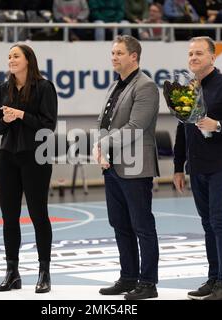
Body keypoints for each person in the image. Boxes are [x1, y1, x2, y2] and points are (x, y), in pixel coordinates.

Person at [173, 36, 222, 300]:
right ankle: (213, 278)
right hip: (196, 166)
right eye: (190, 54)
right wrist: (177, 167)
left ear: (212, 57)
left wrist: (217, 125)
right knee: (207, 224)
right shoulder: (188, 88)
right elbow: (181, 129)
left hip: (221, 164)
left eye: (199, 53)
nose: (193, 58)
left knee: (219, 221)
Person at [94, 35, 160, 300]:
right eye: (112, 53)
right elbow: (104, 122)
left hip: (136, 167)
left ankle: (148, 282)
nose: (114, 57)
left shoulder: (146, 86)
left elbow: (135, 128)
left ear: (134, 56)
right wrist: (100, 148)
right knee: (119, 224)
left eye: (119, 53)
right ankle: (128, 276)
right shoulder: (115, 86)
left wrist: (103, 145)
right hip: (112, 166)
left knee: (142, 225)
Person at [0, 44, 58, 293]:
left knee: (39, 215)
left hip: (35, 157)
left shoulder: (44, 88)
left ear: (28, 60)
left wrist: (21, 115)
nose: (11, 59)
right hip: (8, 157)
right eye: (9, 56)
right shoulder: (1, 89)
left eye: (16, 56)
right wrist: (5, 120)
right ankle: (12, 272)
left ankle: (44, 272)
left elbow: (48, 126)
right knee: (9, 218)